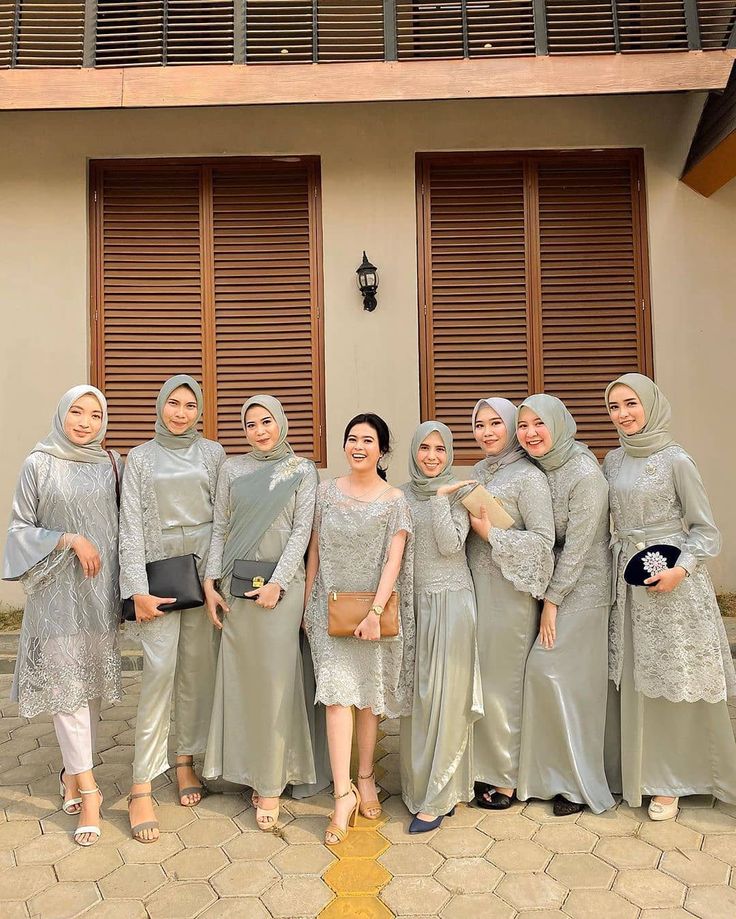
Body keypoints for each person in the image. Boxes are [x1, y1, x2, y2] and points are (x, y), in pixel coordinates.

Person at [603, 373, 736, 819]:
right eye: (614, 407)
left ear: (651, 405)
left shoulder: (677, 460)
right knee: (637, 677)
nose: (622, 414)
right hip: (629, 583)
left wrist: (681, 568)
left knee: (674, 677)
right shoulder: (613, 460)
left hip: (673, 585)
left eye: (630, 404)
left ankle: (674, 779)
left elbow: (705, 529)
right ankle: (639, 772)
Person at [3, 385, 122, 846]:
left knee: (89, 688)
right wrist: (70, 538)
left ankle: (72, 772)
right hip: (56, 594)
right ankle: (89, 791)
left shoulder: (111, 464)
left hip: (98, 592)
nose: (85, 422)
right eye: (77, 411)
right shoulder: (38, 462)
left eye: (95, 414)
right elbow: (18, 530)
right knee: (67, 689)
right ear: (62, 413)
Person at [203, 395, 318, 830]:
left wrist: (279, 584)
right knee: (241, 680)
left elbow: (302, 533)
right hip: (234, 588)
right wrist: (211, 582)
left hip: (279, 592)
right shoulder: (232, 469)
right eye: (250, 425)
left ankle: (270, 782)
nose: (259, 430)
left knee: (275, 682)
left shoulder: (302, 470)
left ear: (282, 423)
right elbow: (220, 527)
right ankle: (246, 769)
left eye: (266, 421)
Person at [119, 375, 224, 843]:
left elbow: (222, 520)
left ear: (199, 410)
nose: (180, 413)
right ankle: (141, 783)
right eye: (173, 404)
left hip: (202, 573)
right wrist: (136, 589)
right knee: (158, 675)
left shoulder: (213, 454)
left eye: (189, 405)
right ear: (160, 406)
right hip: (160, 573)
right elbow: (130, 528)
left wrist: (213, 577)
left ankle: (185, 760)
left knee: (197, 674)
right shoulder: (139, 458)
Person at [304, 413, 414, 845]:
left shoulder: (395, 500)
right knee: (335, 699)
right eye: (352, 439)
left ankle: (366, 778)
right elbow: (314, 549)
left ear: (383, 450)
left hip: (374, 615)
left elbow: (394, 560)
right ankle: (342, 794)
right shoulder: (324, 492)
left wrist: (375, 610)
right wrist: (308, 601)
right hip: (326, 611)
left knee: (368, 700)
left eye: (368, 440)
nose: (359, 446)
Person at [515, 394, 614, 815]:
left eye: (539, 423)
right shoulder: (534, 467)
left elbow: (579, 547)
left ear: (558, 423)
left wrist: (553, 601)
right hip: (549, 586)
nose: (531, 433)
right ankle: (552, 776)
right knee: (553, 682)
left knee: (553, 674)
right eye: (523, 425)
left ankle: (577, 784)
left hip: (583, 588)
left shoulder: (584, 473)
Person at [466, 397, 555, 810]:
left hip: (511, 595)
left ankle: (508, 779)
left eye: (495, 424)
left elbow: (543, 543)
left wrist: (492, 536)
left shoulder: (529, 478)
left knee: (505, 686)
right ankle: (481, 768)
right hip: (477, 591)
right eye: (479, 425)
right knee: (481, 682)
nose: (486, 432)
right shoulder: (479, 472)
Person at [399, 422, 483, 832]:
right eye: (424, 448)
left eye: (439, 449)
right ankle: (418, 786)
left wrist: (439, 499)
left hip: (451, 602)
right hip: (415, 604)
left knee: (447, 699)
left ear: (449, 453)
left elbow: (450, 546)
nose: (431, 456)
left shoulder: (460, 492)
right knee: (420, 698)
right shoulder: (400, 493)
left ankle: (440, 795)